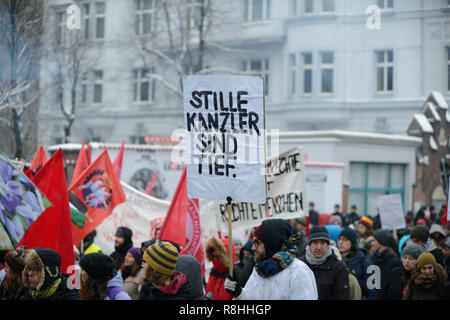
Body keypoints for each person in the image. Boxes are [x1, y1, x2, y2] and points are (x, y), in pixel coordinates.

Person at [224, 219, 318, 300]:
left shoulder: (298, 270)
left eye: (257, 242)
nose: (253, 248)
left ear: (271, 243)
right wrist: (239, 293)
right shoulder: (259, 269)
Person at [300, 226, 349, 300]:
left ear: (328, 244)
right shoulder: (300, 265)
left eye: (322, 243)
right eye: (315, 243)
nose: (319, 247)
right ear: (309, 244)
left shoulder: (338, 268)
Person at [337, 228, 376, 300]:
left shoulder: (366, 261)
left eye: (345, 240)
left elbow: (374, 289)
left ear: (352, 242)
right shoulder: (335, 259)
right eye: (339, 239)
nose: (340, 242)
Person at [370, 229, 402, 299]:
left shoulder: (394, 261)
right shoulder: (372, 258)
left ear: (381, 241)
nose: (371, 243)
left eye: (373, 241)